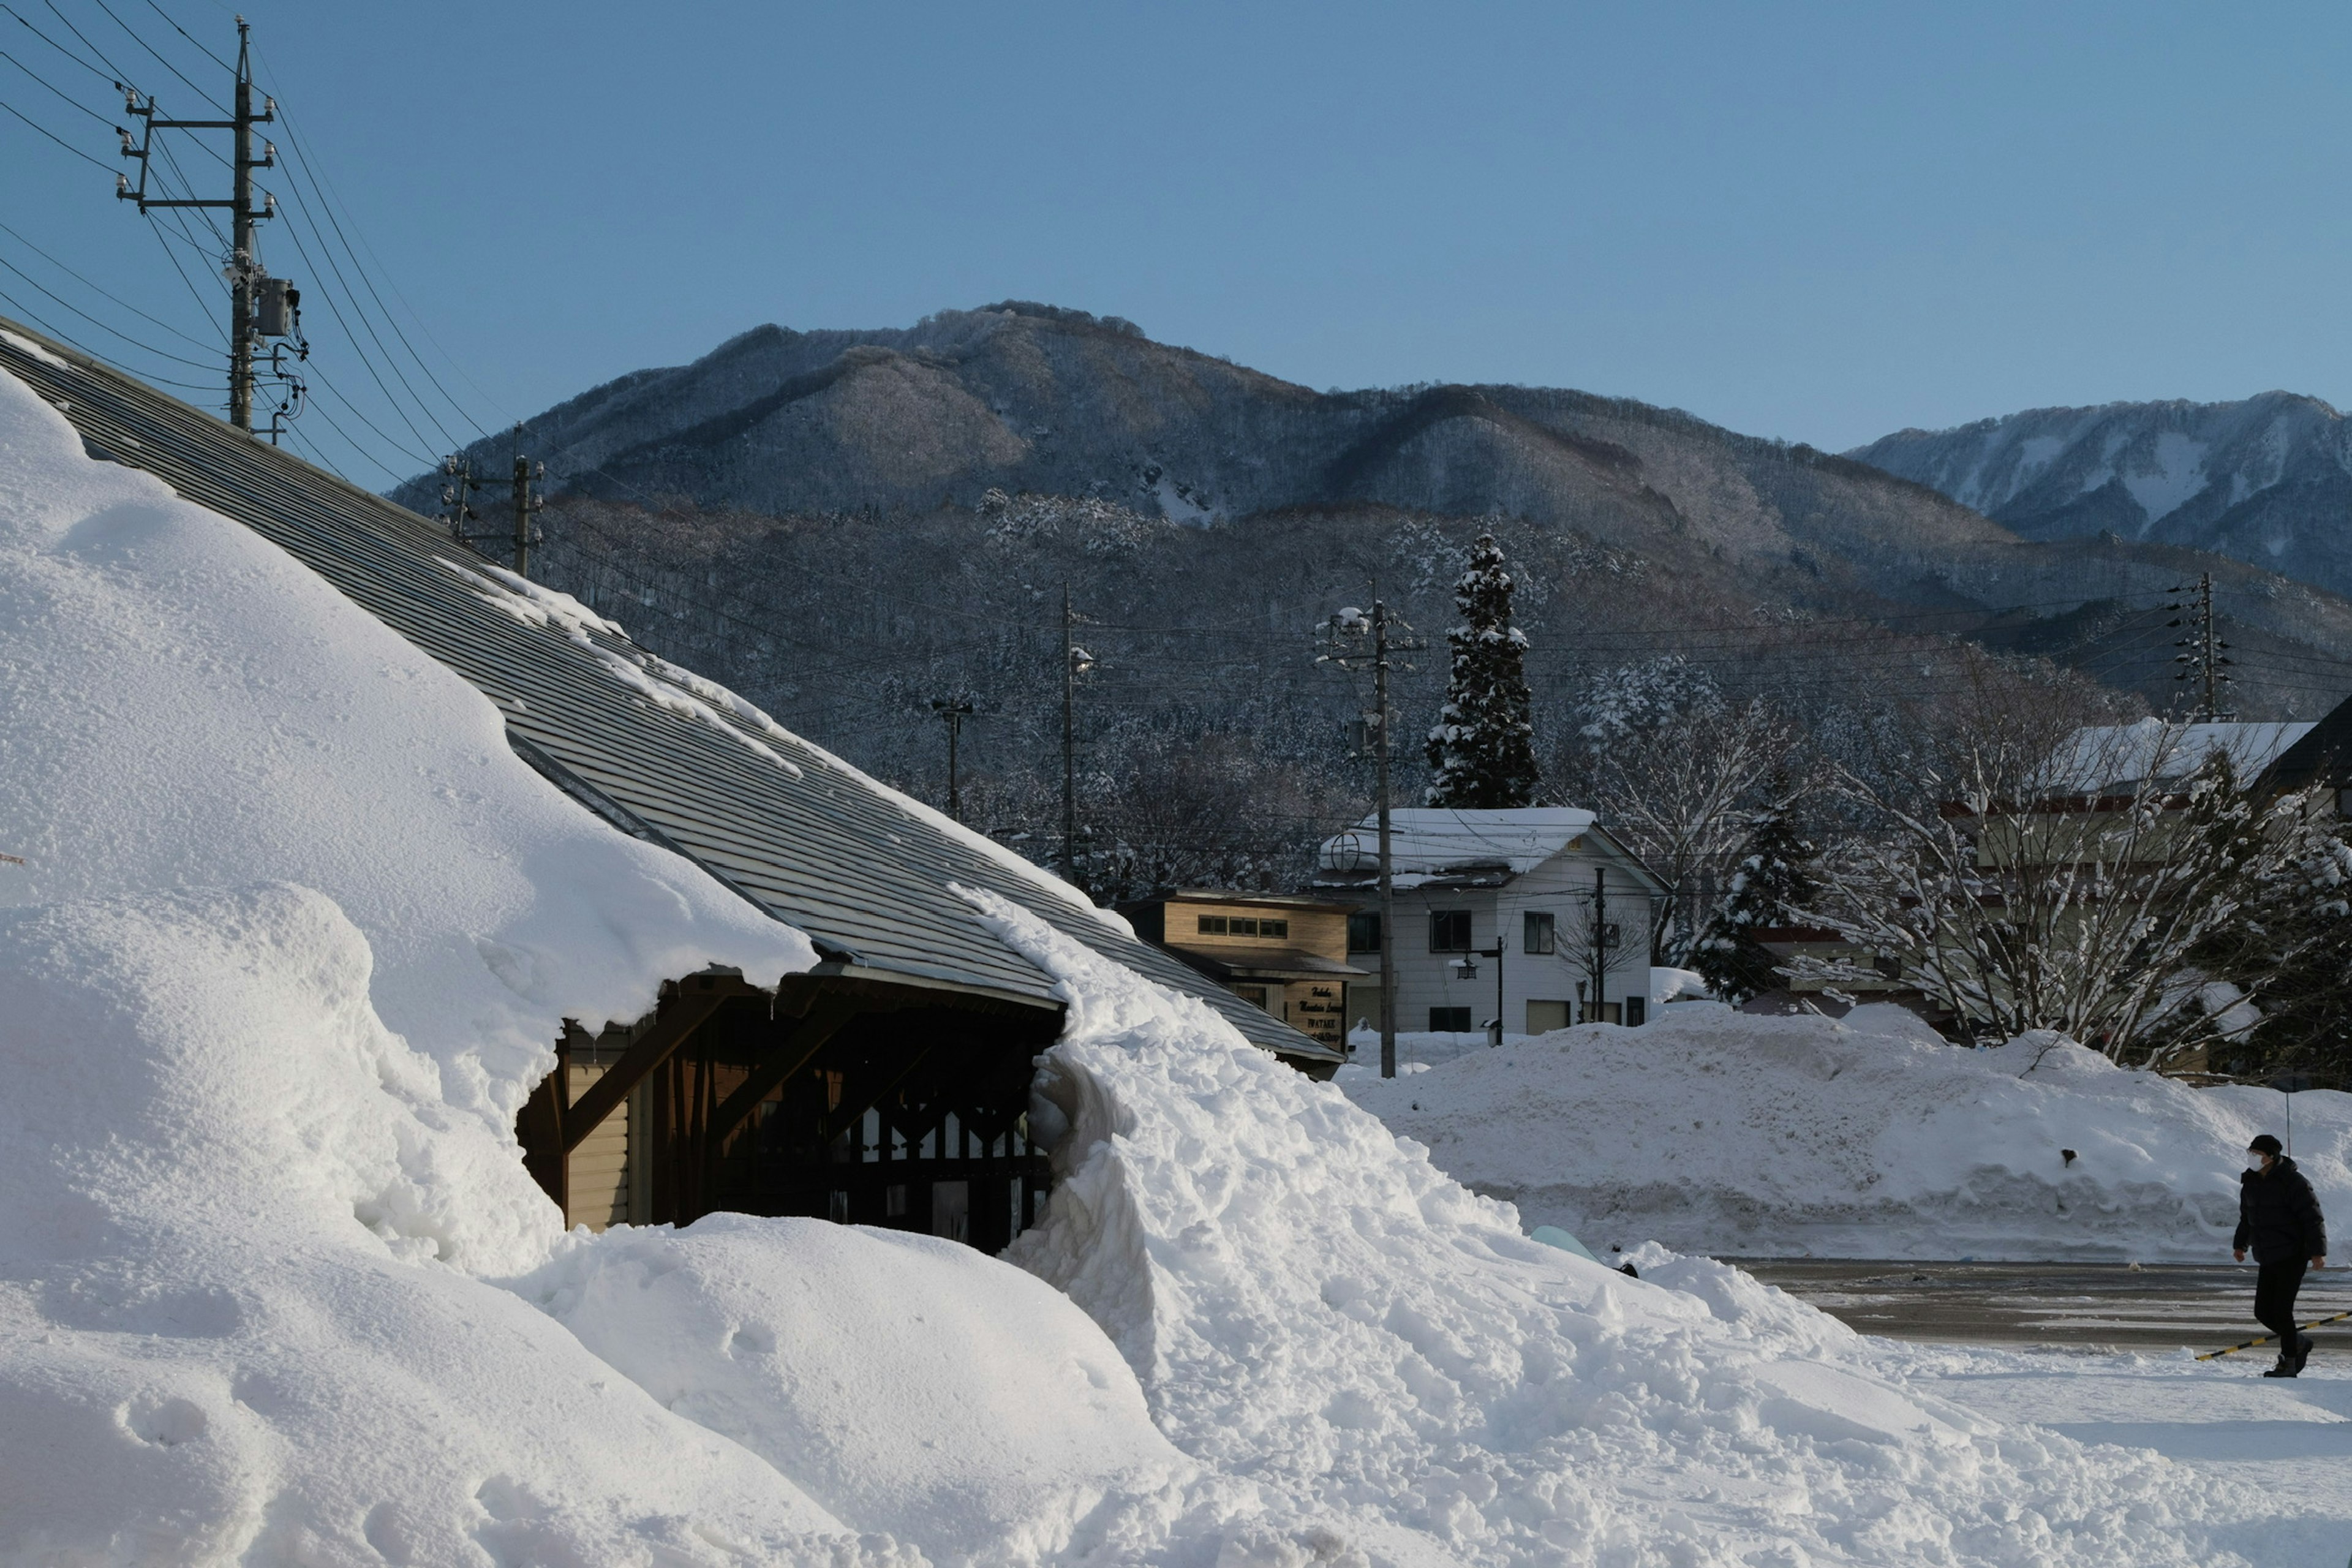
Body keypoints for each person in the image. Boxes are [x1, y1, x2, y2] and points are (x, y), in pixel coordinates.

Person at [2234, 1133, 2328, 1378]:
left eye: (2257, 1154)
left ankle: (2289, 1363)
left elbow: (2312, 1217)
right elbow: (2247, 1217)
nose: (2252, 1158)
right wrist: (2240, 1244)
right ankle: (2298, 1341)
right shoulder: (2251, 1182)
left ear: (2271, 1158)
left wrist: (2318, 1251)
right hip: (2267, 1254)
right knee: (2263, 1312)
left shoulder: (2293, 1182)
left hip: (2292, 1253)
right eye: (2250, 1153)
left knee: (2282, 1311)